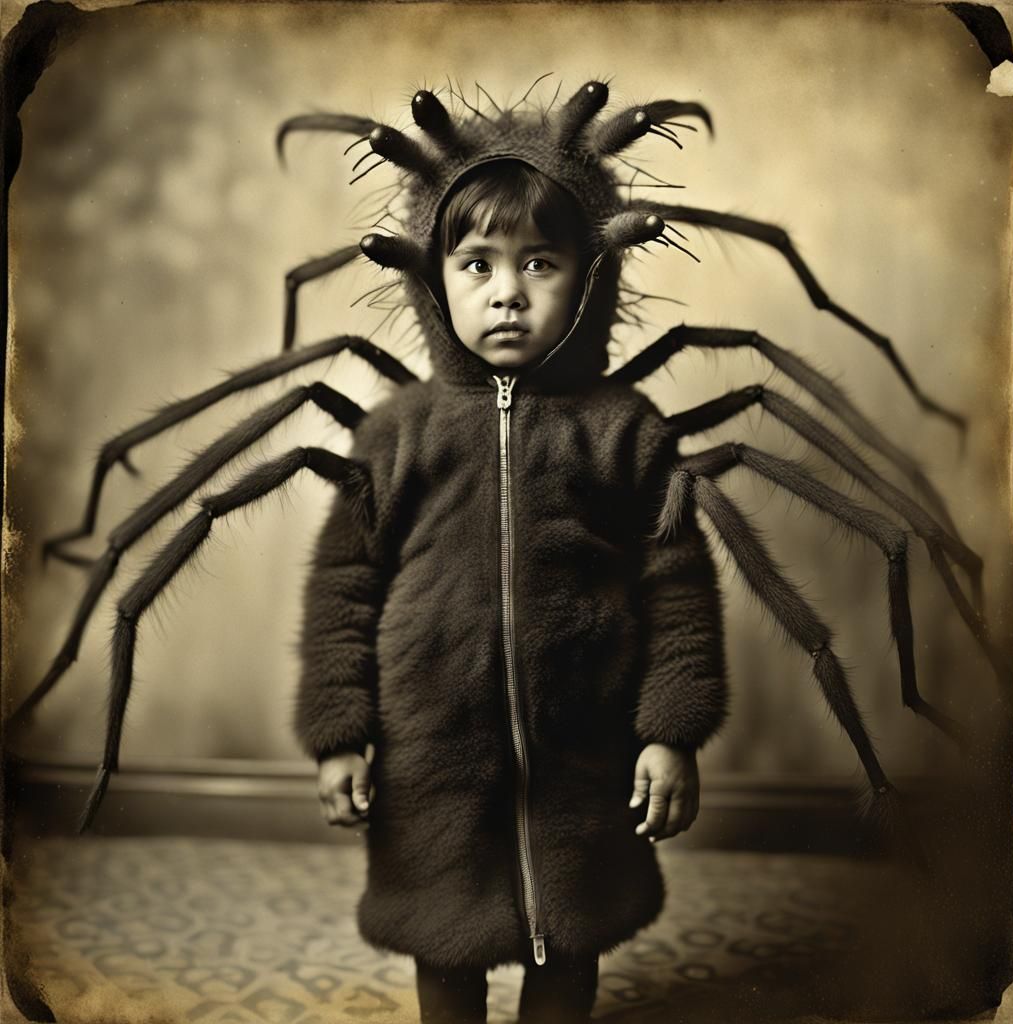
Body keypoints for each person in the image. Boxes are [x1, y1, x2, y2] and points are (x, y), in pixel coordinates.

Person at [293, 158, 727, 1023]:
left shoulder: (623, 427)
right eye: (477, 264)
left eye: (539, 263)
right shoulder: (396, 432)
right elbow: (343, 586)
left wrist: (671, 731)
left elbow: (678, 585)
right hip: (430, 750)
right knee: (442, 932)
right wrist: (339, 733)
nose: (507, 294)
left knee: (572, 931)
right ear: (436, 279)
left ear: (585, 278)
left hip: (586, 744)